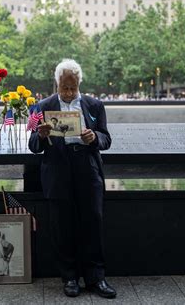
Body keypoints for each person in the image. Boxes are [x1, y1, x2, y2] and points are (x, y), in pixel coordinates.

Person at [28, 59, 116, 298]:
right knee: (62, 225)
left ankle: (96, 278)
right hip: (58, 168)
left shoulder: (94, 105)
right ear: (56, 83)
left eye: (72, 88)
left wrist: (94, 137)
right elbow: (33, 146)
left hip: (87, 167)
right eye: (64, 87)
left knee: (93, 223)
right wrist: (41, 134)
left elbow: (107, 139)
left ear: (79, 84)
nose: (68, 92)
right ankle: (69, 278)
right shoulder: (42, 106)